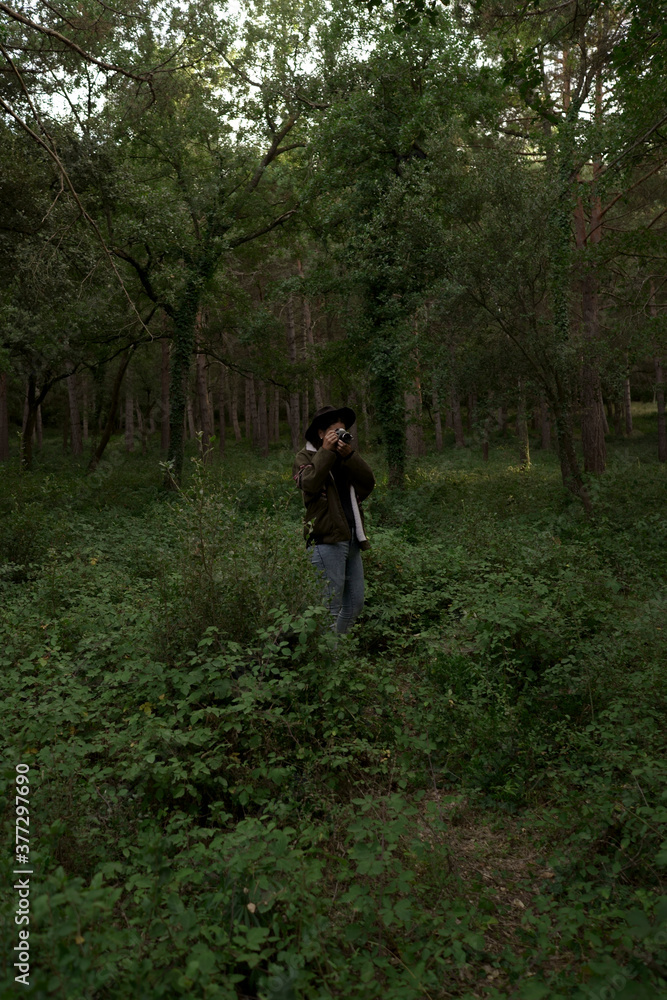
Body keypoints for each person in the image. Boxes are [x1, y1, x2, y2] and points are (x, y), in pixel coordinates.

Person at [293, 404, 375, 634]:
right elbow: (308, 483)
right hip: (325, 540)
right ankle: (329, 664)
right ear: (321, 433)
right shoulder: (306, 455)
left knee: (354, 605)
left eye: (343, 430)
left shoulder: (345, 457)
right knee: (329, 608)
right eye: (334, 430)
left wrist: (350, 456)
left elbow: (368, 483)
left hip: (350, 537)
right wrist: (326, 452)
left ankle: (337, 655)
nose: (340, 435)